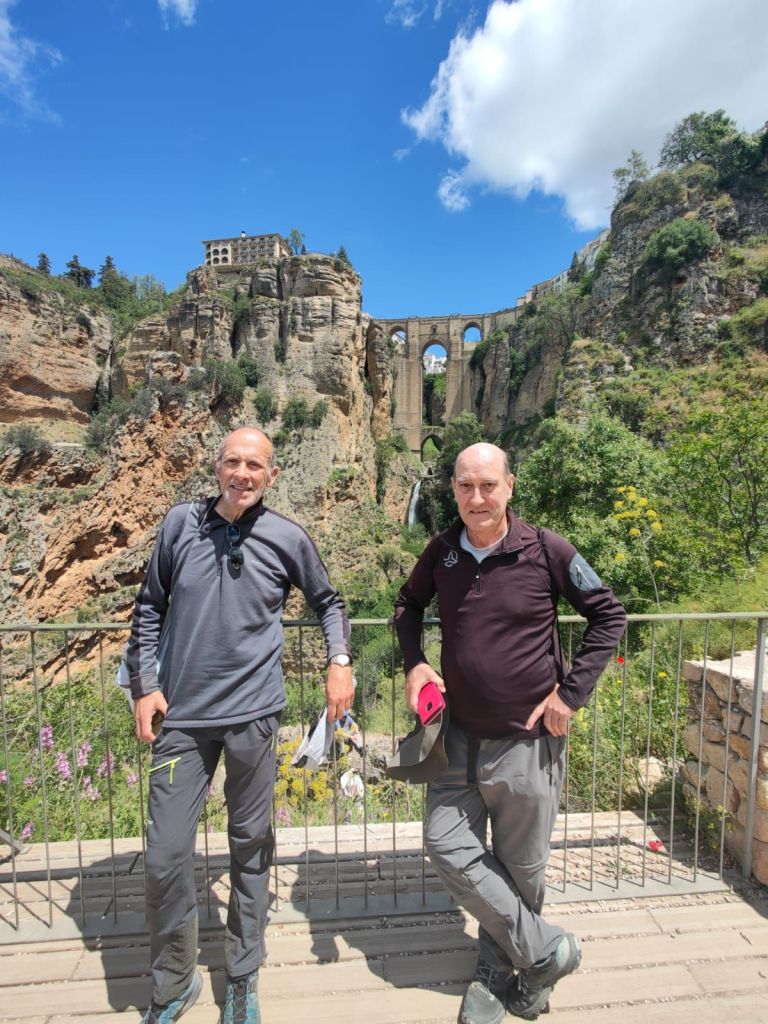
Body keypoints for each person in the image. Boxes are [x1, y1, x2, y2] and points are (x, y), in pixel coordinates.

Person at [126, 426, 354, 1024]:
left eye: (255, 465)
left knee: (250, 845)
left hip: (254, 717)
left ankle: (243, 976)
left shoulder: (286, 536)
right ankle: (175, 982)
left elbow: (329, 603)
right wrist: (145, 685)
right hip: (181, 719)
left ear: (271, 475)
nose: (243, 474)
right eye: (233, 462)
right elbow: (148, 607)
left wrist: (339, 661)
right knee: (164, 854)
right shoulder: (180, 525)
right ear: (217, 467)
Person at [393, 443, 626, 1024]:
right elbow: (407, 606)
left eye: (488, 485)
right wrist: (415, 663)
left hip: (527, 742)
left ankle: (502, 977)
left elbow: (608, 615)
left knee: (522, 871)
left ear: (510, 486)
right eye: (466, 486)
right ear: (453, 488)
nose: (477, 498)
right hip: (455, 740)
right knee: (445, 843)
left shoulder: (546, 550)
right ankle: (546, 952)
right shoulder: (442, 550)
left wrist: (570, 695)